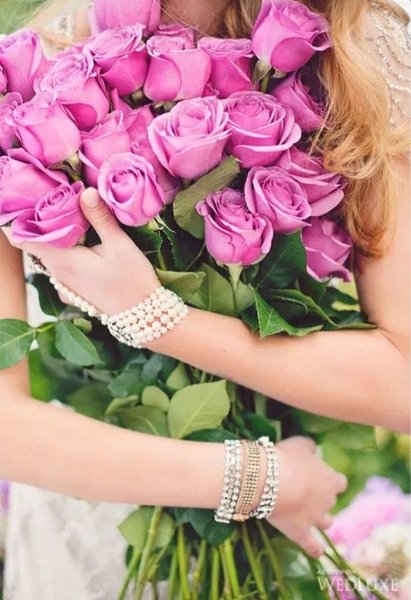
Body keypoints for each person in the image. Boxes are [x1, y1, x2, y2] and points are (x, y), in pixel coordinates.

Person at [0, 0, 409, 598]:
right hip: (85, 520)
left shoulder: (360, 54)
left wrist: (160, 320)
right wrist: (262, 481)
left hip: (273, 529)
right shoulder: (35, 65)